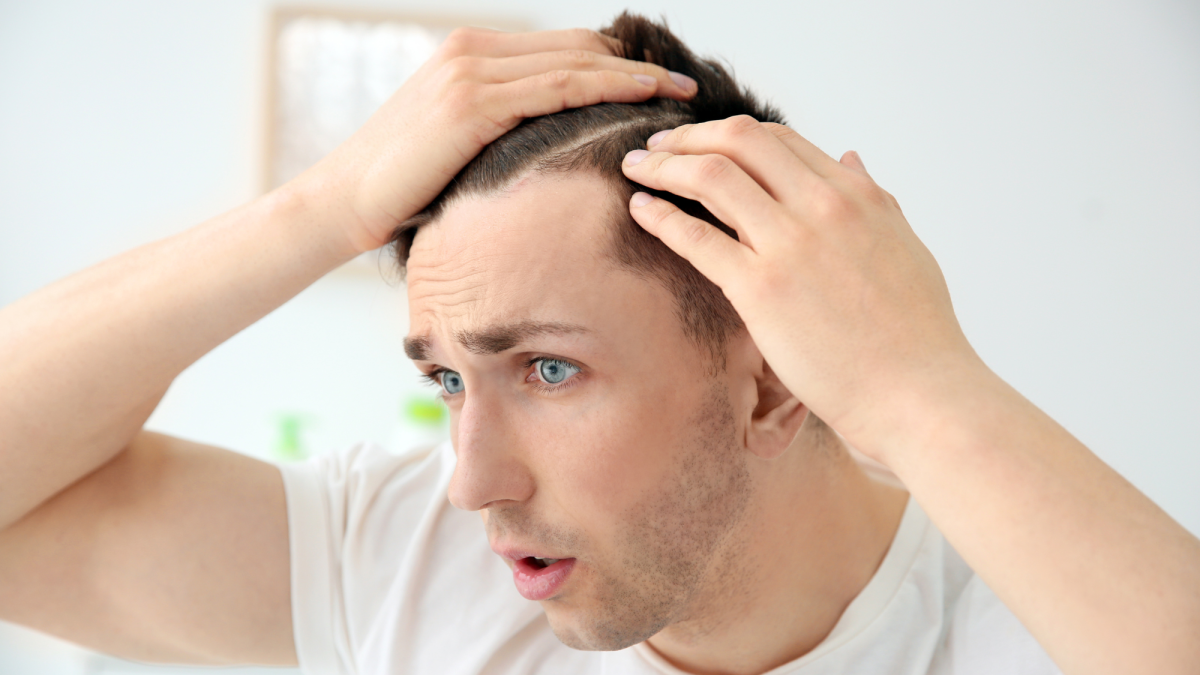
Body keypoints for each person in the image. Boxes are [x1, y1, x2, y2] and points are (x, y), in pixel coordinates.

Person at [0, 11, 1196, 675]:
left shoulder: (1021, 625)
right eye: (445, 377)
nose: (472, 480)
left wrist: (919, 385)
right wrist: (316, 212)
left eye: (548, 369)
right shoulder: (406, 559)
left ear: (773, 379)